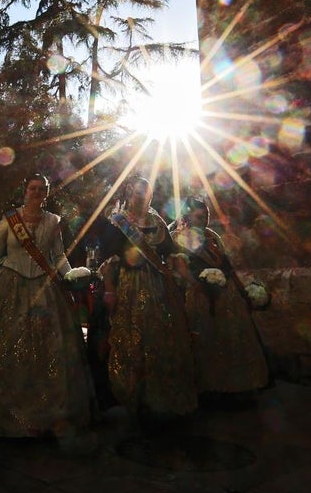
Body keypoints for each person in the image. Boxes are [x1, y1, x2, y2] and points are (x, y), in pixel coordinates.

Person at [0, 174, 94, 438]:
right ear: (25, 191)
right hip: (8, 284)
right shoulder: (10, 219)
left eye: (42, 189)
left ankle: (44, 415)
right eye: (33, 188)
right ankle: (3, 413)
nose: (37, 192)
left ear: (47, 193)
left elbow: (58, 255)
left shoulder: (54, 221)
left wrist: (70, 276)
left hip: (44, 287)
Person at [89, 176, 197, 419]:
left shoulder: (156, 221)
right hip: (129, 285)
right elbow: (110, 260)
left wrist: (191, 280)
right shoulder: (117, 222)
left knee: (163, 338)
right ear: (129, 192)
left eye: (147, 193)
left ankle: (162, 397)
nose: (143, 197)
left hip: (159, 287)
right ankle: (134, 397)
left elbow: (172, 254)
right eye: (139, 192)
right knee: (134, 340)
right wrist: (109, 290)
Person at [171, 197, 269, 401]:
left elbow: (227, 266)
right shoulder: (180, 238)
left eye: (206, 216)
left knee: (233, 337)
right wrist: (199, 285)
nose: (204, 220)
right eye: (199, 216)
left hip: (227, 294)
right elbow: (181, 269)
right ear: (188, 216)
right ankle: (211, 388)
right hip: (200, 295)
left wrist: (242, 291)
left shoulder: (212, 236)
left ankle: (237, 386)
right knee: (207, 339)